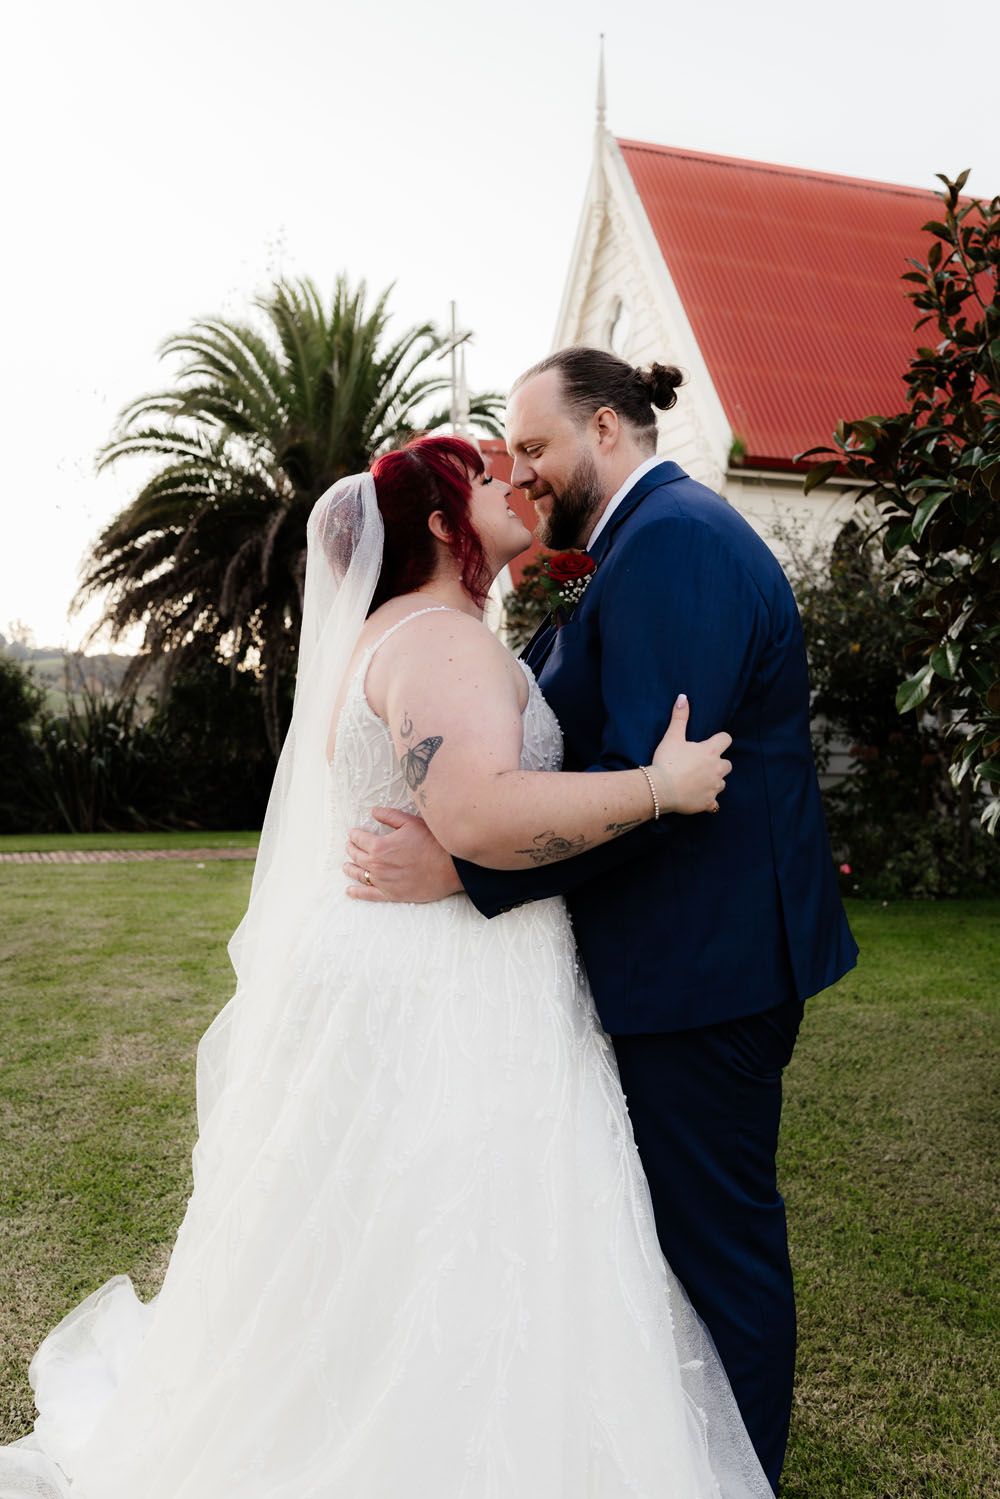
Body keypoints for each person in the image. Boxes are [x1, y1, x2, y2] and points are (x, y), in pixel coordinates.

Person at [0, 435, 775, 1499]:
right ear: (447, 524)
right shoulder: (438, 642)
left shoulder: (402, 632)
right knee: (447, 1229)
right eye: (485, 476)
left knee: (377, 1235)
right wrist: (659, 785)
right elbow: (477, 815)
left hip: (404, 963)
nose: (513, 482)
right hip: (443, 984)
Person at [345, 351, 859, 1493]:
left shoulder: (670, 542)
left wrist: (467, 873)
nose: (520, 473)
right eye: (506, 457)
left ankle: (741, 1475)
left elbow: (658, 782)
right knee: (664, 1248)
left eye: (534, 447)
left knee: (717, 1257)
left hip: (704, 968)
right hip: (675, 959)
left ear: (612, 428)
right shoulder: (631, 546)